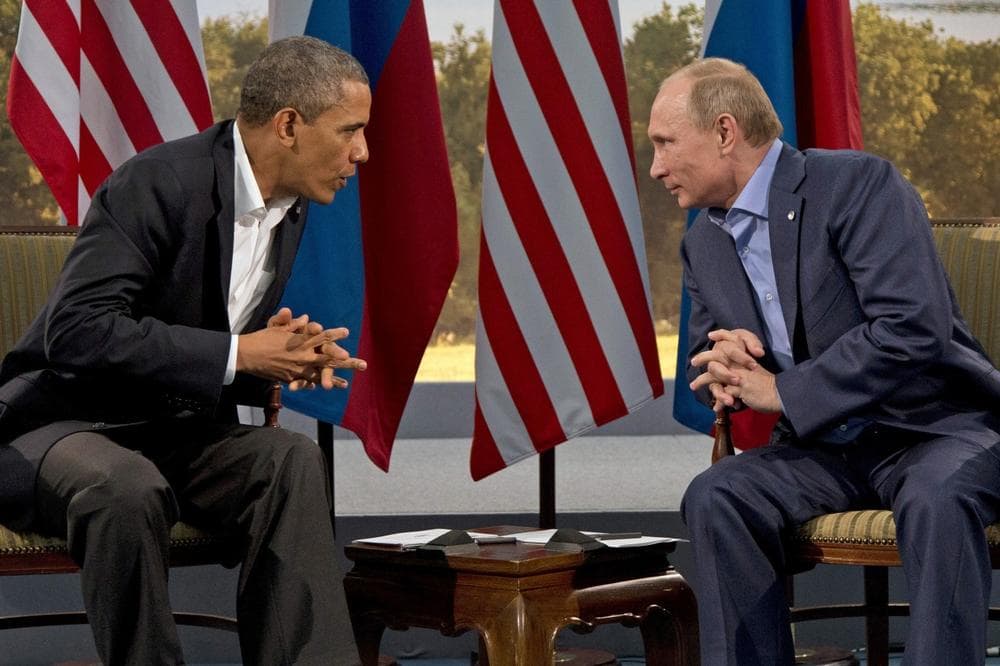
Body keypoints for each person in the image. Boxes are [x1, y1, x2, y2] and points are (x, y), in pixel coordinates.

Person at [0, 36, 371, 665]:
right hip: (58, 425)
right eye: (350, 130)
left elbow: (201, 343)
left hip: (171, 429)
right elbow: (78, 331)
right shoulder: (158, 182)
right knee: (126, 487)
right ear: (288, 125)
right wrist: (239, 354)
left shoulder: (294, 206)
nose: (361, 152)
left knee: (291, 462)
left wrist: (279, 360)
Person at [648, 57, 1000, 664]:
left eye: (665, 143)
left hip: (939, 428)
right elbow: (704, 364)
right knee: (717, 495)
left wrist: (784, 393)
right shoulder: (703, 238)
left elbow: (913, 327)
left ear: (725, 132)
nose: (655, 167)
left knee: (937, 501)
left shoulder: (857, 185)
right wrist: (723, 367)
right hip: (823, 449)